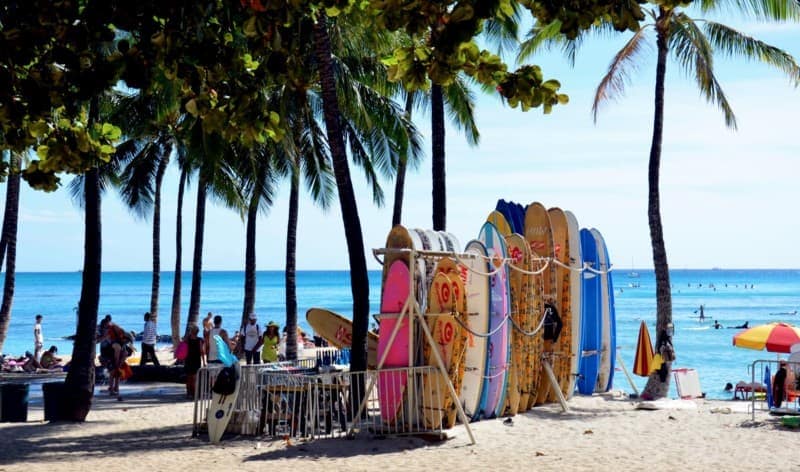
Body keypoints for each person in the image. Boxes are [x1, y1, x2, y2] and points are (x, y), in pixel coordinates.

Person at [183, 324, 205, 398]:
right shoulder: (199, 340)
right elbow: (202, 351)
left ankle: (189, 394)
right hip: (196, 360)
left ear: (192, 331)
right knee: (194, 378)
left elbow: (183, 349)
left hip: (188, 360)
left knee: (188, 378)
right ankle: (194, 394)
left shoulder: (187, 339)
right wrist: (204, 361)